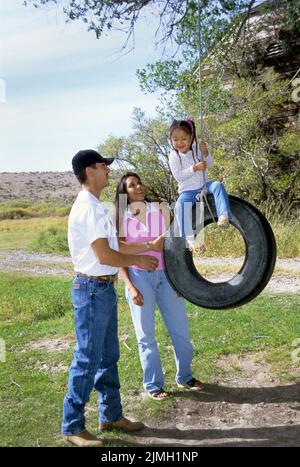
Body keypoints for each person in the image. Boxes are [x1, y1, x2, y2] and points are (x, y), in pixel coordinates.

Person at [61, 149, 160, 447]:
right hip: (90, 289)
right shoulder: (88, 208)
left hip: (102, 289)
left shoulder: (97, 206)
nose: (108, 170)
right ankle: (72, 427)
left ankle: (111, 416)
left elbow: (117, 246)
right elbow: (104, 255)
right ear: (90, 171)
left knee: (108, 357)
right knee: (87, 358)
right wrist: (140, 262)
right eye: (104, 165)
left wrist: (144, 250)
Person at [115, 172, 205, 401]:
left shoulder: (159, 210)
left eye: (139, 183)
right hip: (139, 278)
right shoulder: (120, 217)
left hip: (167, 277)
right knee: (146, 336)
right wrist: (131, 287)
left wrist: (179, 281)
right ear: (125, 192)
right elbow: (117, 255)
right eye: (132, 185)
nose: (139, 187)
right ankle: (153, 384)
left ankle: (185, 376)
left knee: (181, 332)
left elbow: (175, 247)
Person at [169, 118, 232, 247]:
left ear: (191, 137)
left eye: (183, 139)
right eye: (175, 140)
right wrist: (195, 168)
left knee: (218, 186)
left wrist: (206, 153)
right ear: (171, 140)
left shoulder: (197, 148)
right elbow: (178, 177)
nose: (180, 143)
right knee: (179, 206)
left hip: (204, 185)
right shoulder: (174, 156)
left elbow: (210, 164)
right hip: (187, 191)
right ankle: (190, 239)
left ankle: (223, 215)